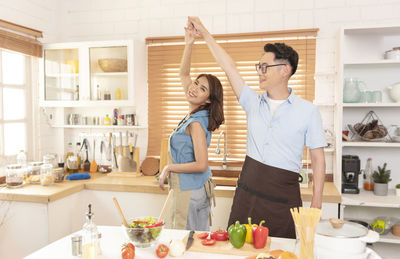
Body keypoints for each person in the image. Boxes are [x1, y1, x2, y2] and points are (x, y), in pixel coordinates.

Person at [188, 16, 326, 238]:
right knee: (239, 247)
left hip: (284, 196)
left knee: (282, 251)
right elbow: (228, 66)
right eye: (258, 66)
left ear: (285, 70)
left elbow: (319, 159)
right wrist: (204, 33)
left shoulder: (308, 111)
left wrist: (317, 201)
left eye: (264, 66)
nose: (259, 71)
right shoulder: (252, 102)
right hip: (247, 192)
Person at [158, 22, 224, 231]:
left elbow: (201, 164)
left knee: (184, 244)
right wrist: (189, 43)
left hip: (189, 191)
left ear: (208, 100)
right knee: (196, 244)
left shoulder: (196, 122)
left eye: (202, 88)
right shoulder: (197, 114)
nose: (193, 88)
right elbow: (183, 74)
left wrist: (168, 167)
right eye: (196, 83)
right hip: (197, 189)